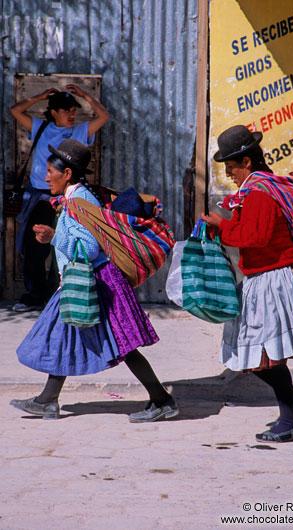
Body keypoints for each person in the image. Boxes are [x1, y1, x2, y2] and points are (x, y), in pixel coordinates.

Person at [10, 139, 179, 423]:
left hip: (98, 282)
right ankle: (48, 400)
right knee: (66, 332)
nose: (46, 176)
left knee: (122, 343)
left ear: (67, 174)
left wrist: (54, 237)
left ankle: (162, 400)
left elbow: (87, 248)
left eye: (51, 170)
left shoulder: (78, 201)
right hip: (90, 279)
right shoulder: (77, 196)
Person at [201, 124, 293, 442]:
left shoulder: (259, 192)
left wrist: (221, 226)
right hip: (266, 278)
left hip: (276, 278)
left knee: (265, 356)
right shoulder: (257, 190)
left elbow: (255, 237)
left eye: (231, 167)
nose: (229, 174)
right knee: (255, 356)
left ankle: (289, 419)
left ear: (247, 162)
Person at [11, 84, 109, 312]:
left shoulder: (80, 131)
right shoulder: (41, 126)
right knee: (34, 247)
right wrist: (40, 95)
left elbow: (103, 116)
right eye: (66, 110)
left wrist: (85, 95)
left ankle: (56, 294)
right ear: (53, 112)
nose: (72, 114)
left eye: (74, 109)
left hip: (66, 199)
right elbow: (15, 111)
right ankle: (35, 295)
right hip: (40, 199)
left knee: (63, 246)